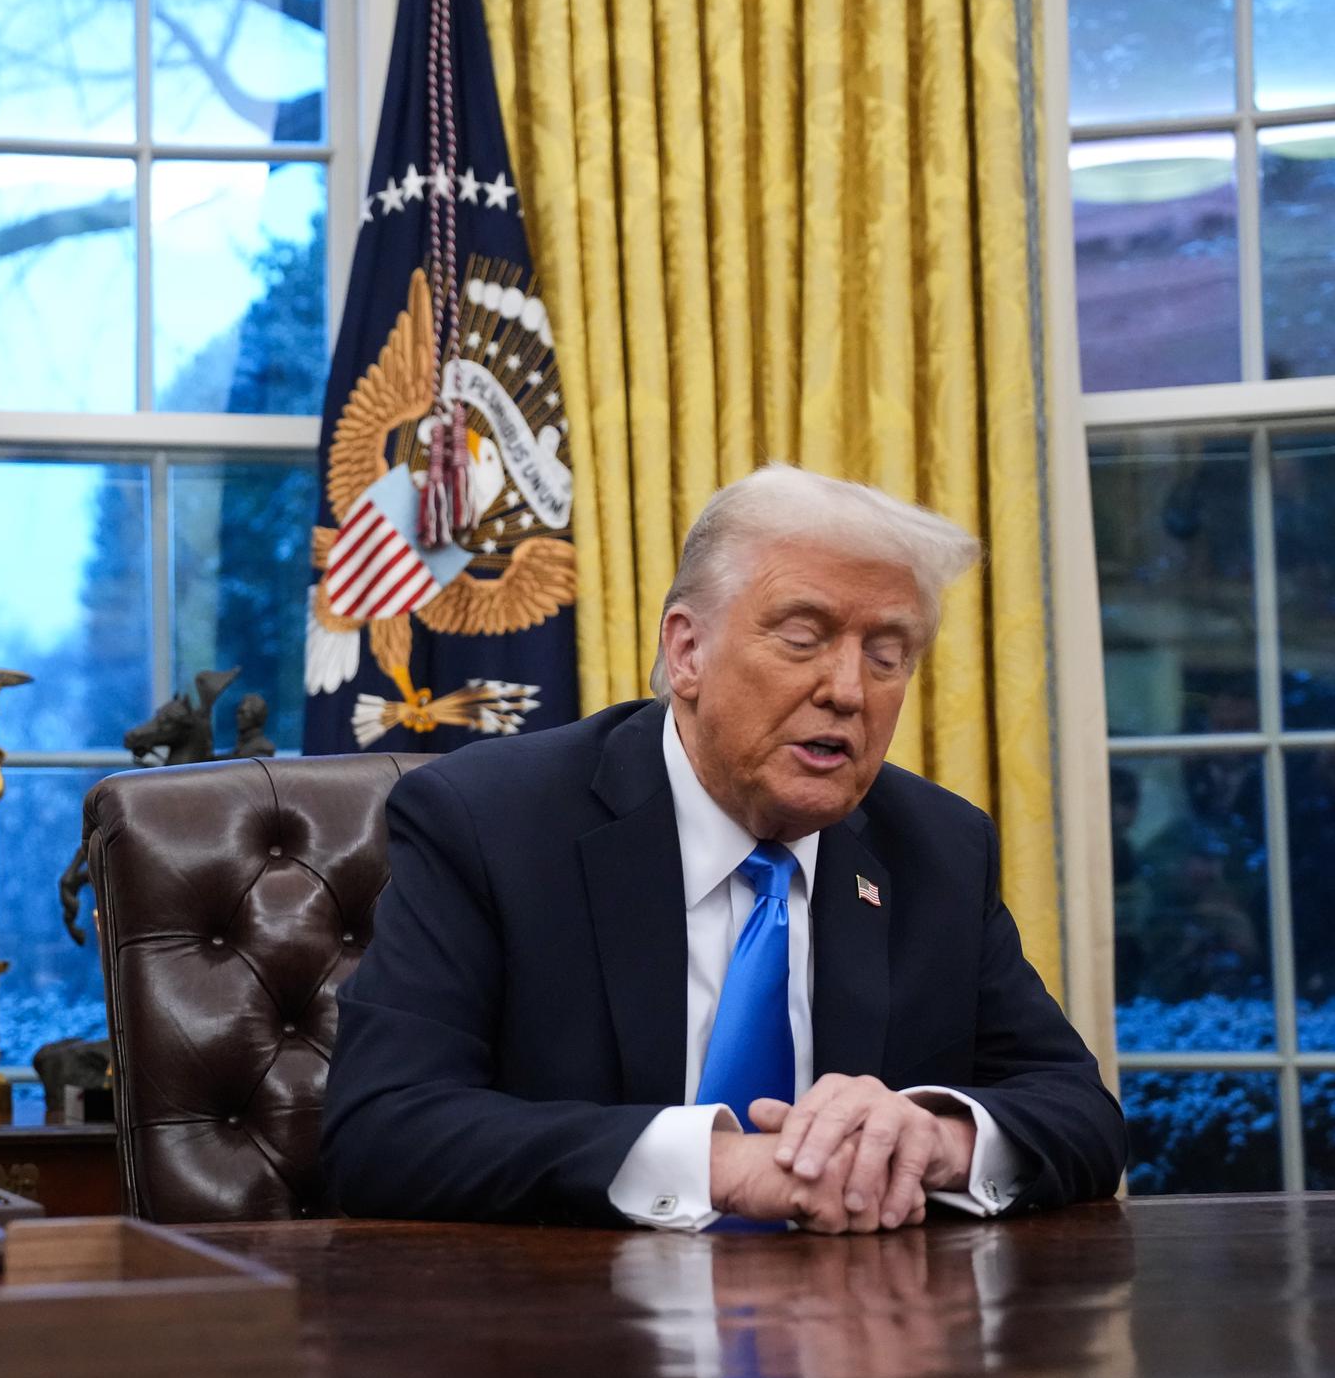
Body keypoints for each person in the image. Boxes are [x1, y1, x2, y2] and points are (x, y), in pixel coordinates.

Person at [323, 465, 1126, 1233]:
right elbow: (384, 1127)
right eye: (804, 638)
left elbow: (1081, 1113)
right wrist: (724, 1167)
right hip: (571, 1341)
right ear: (687, 652)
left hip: (863, 1341)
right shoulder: (490, 822)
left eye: (887, 657)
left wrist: (934, 1139)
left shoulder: (940, 850)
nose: (848, 690)